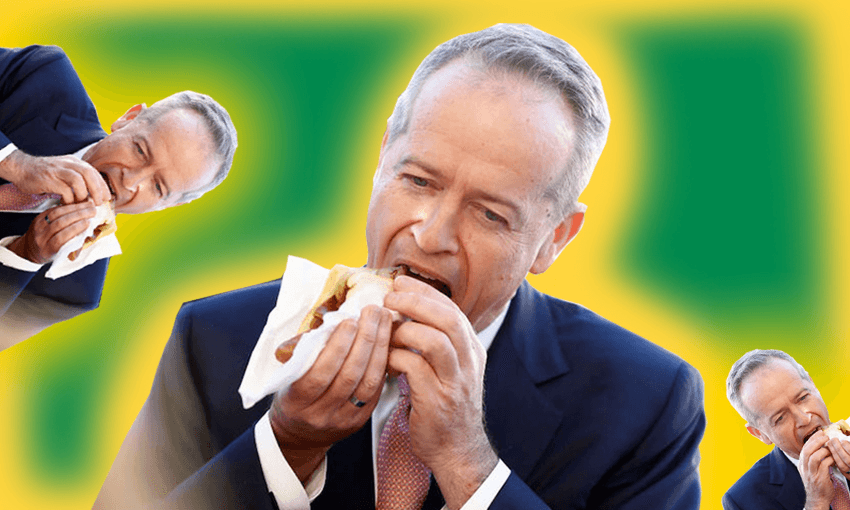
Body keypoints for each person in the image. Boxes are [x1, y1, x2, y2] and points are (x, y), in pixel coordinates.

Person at [96, 24, 705, 509]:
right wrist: (286, 447)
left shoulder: (647, 402)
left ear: (554, 239)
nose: (430, 235)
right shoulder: (214, 340)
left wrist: (468, 465)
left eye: (490, 214)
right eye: (417, 180)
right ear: (384, 154)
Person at [0, 44, 237, 350]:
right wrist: (15, 164)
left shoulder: (75, 291)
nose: (131, 180)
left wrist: (25, 254)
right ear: (128, 118)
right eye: (140, 150)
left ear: (170, 205)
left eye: (158, 187)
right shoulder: (44, 77)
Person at [723, 349, 850, 510]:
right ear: (759, 434)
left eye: (803, 398)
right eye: (780, 418)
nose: (804, 419)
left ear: (813, 385)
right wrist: (816, 503)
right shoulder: (744, 500)